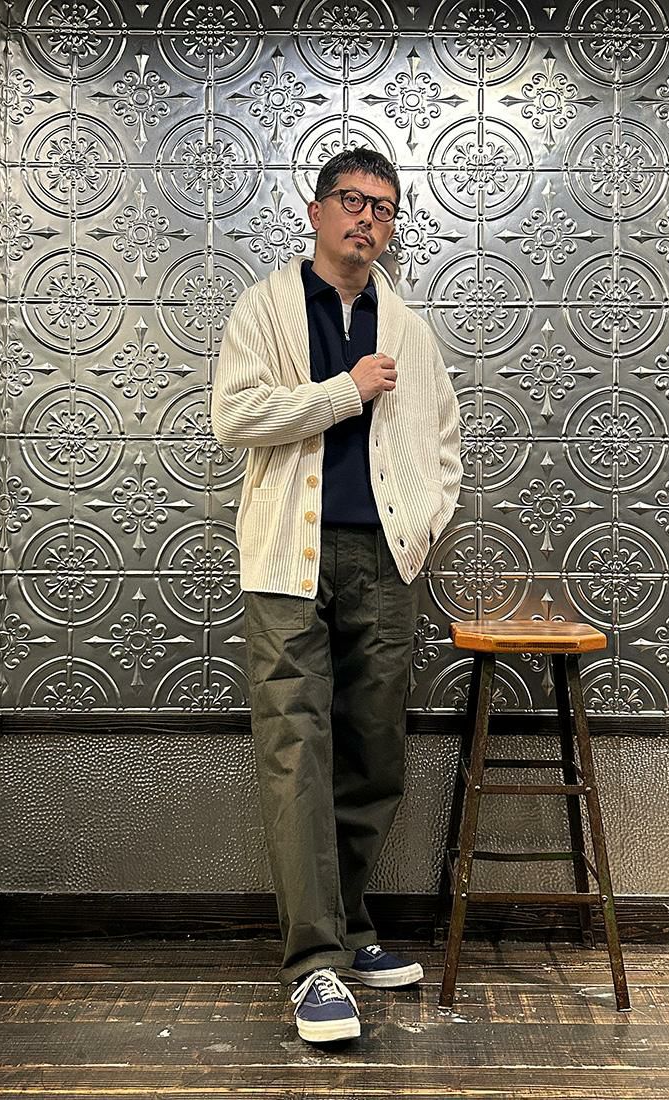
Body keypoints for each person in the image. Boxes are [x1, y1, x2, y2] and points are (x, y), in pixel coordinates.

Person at [211, 147, 462, 1044]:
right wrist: (341, 393)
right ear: (316, 212)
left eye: (384, 208)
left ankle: (352, 930)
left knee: (373, 750)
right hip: (289, 557)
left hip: (383, 562)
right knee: (295, 749)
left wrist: (421, 528)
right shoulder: (264, 308)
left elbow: (443, 444)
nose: (367, 218)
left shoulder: (411, 331)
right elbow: (235, 417)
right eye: (352, 201)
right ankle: (313, 962)